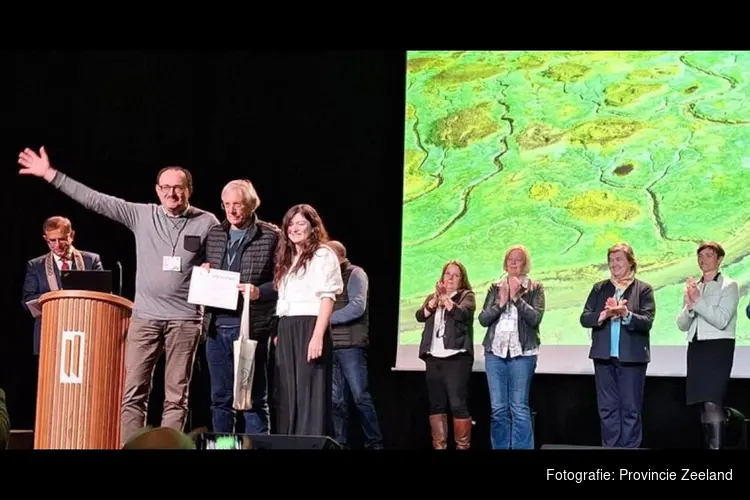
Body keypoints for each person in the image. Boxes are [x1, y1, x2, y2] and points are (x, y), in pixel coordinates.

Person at [17, 146, 219, 445]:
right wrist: (50, 174)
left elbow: (220, 263)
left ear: (189, 189)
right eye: (165, 187)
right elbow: (95, 200)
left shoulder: (207, 222)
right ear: (157, 189)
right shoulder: (142, 214)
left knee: (177, 395)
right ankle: (131, 446)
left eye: (178, 188)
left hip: (185, 319)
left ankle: (170, 447)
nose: (171, 193)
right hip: (145, 318)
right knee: (133, 392)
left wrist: (211, 267)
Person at [201, 179, 279, 435]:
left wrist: (260, 291)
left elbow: (284, 280)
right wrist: (205, 271)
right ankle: (224, 447)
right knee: (220, 400)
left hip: (249, 327)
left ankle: (257, 447)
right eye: (226, 205)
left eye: (237, 204)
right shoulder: (215, 234)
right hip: (216, 328)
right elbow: (208, 266)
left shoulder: (270, 235)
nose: (232, 211)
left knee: (253, 399)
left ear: (251, 204)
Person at [273, 204, 343, 436]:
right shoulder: (289, 258)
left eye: (300, 223)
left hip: (310, 326)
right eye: (290, 224)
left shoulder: (323, 254)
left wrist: (317, 336)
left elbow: (327, 297)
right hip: (287, 327)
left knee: (309, 393)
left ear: (313, 227)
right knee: (288, 393)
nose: (294, 228)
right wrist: (279, 333)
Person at [580, 242, 655, 448]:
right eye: (611, 260)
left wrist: (625, 314)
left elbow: (646, 321)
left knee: (630, 409)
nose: (614, 264)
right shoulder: (600, 288)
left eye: (619, 259)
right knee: (607, 409)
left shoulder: (643, 289)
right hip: (603, 358)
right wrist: (604, 314)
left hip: (632, 359)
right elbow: (585, 318)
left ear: (631, 262)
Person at [478, 244, 545, 450]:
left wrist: (516, 298)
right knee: (498, 409)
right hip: (495, 354)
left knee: (519, 407)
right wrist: (500, 303)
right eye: (510, 259)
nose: (514, 262)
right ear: (506, 263)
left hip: (522, 355)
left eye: (518, 259)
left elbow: (535, 319)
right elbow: (483, 319)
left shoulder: (534, 288)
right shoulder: (495, 287)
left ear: (525, 264)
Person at [676, 241, 739, 449]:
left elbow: (721, 320)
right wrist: (691, 306)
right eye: (700, 255)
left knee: (712, 401)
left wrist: (698, 303)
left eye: (709, 255)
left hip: (717, 348)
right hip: (697, 347)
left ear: (719, 259)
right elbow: (682, 324)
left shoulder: (729, 285)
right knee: (702, 403)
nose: (703, 259)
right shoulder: (695, 287)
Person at [326, 240, 384, 449]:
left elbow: (357, 307)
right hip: (332, 345)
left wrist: (325, 318)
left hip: (351, 345)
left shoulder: (355, 273)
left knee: (360, 396)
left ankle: (374, 443)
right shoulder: (326, 279)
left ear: (336, 256)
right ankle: (340, 443)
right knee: (336, 401)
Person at [22, 216, 103, 355]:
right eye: (52, 241)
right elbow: (27, 300)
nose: (57, 245)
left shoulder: (91, 260)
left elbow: (103, 295)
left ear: (71, 235)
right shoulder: (35, 266)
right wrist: (58, 298)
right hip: (49, 333)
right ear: (45, 239)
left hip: (84, 331)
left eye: (62, 239)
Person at [416, 260, 475, 449]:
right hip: (433, 357)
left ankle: (462, 446)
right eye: (447, 274)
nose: (450, 277)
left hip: (456, 358)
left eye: (455, 275)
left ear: (461, 280)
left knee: (457, 404)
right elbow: (420, 316)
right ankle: (439, 446)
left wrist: (447, 300)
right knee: (436, 405)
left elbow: (462, 315)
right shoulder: (433, 298)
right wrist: (435, 300)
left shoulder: (466, 296)